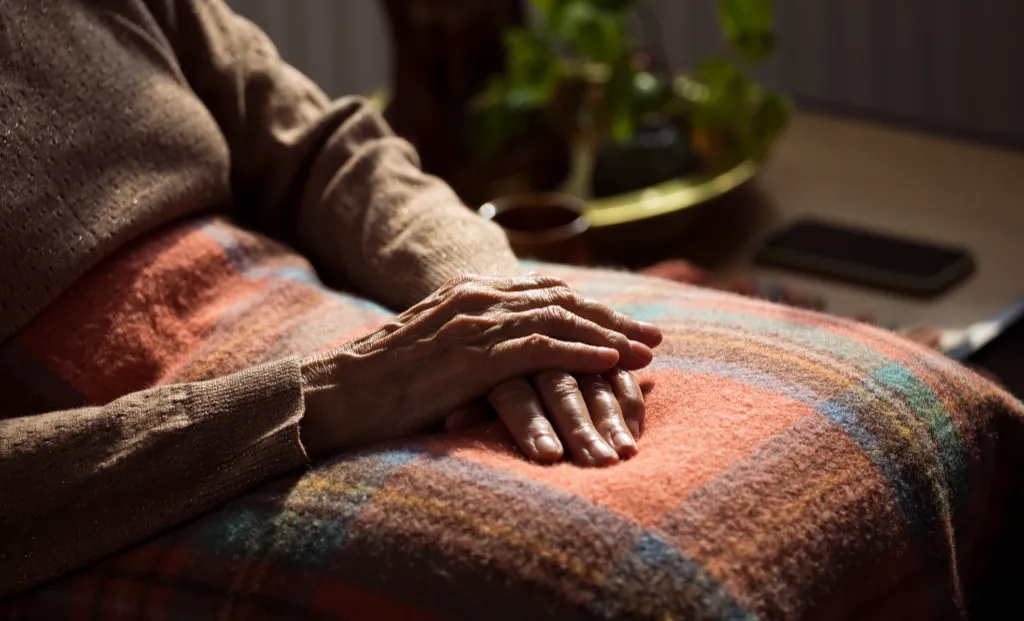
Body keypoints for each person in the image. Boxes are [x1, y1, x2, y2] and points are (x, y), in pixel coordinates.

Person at [0, 0, 663, 597]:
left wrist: (497, 296)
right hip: (155, 480)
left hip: (352, 330)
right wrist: (323, 397)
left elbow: (326, 152)